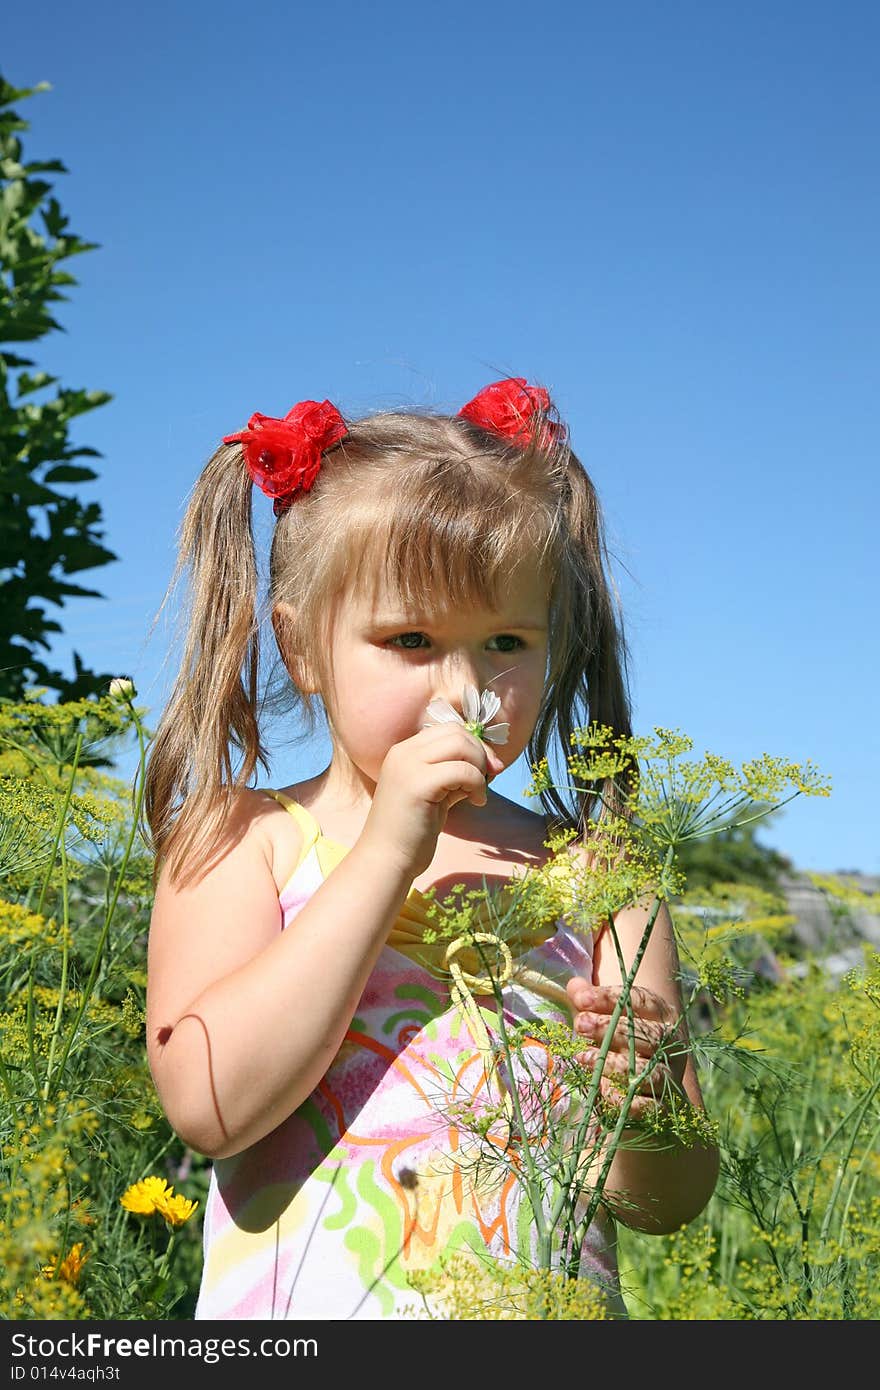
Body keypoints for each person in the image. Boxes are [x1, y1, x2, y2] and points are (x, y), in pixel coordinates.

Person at [143, 375, 719, 1321]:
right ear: (303, 651)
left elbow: (666, 1204)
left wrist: (649, 1104)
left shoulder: (599, 873)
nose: (464, 689)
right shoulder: (245, 839)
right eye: (410, 639)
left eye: (505, 640)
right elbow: (212, 1107)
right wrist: (385, 854)